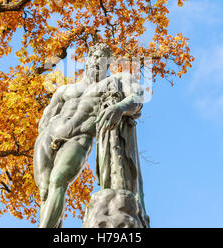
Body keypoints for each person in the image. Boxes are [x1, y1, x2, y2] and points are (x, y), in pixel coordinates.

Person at [33, 43, 144, 228]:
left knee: (58, 180)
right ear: (87, 62)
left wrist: (120, 107)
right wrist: (45, 134)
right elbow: (45, 119)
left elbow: (138, 96)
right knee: (44, 190)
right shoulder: (65, 90)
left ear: (108, 65)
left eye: (102, 63)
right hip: (46, 137)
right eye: (94, 61)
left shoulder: (114, 81)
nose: (97, 66)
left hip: (79, 138)